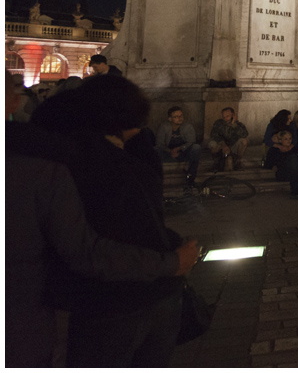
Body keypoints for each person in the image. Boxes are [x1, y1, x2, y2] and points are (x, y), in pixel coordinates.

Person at [6, 74, 198, 368]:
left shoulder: (56, 152)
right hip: (142, 292)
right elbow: (88, 249)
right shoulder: (114, 160)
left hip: (106, 301)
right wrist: (172, 261)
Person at [263, 109, 298, 199]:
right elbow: (267, 140)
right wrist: (279, 146)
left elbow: (294, 139)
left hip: (290, 152)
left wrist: (290, 146)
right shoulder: (273, 126)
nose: (290, 120)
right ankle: (295, 190)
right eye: (288, 118)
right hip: (279, 154)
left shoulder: (291, 126)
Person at [155, 105, 202, 186]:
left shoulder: (188, 127)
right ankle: (155, 179)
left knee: (196, 147)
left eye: (181, 116)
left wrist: (179, 149)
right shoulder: (164, 127)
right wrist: (170, 151)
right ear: (170, 119)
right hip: (168, 153)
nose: (180, 118)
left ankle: (190, 178)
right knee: (155, 150)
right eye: (176, 117)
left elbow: (191, 142)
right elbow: (159, 143)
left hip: (182, 153)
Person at [208, 106, 249, 171]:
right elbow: (214, 135)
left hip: (233, 146)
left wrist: (233, 124)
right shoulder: (218, 123)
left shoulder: (239, 125)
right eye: (223, 117)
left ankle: (237, 161)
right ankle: (216, 163)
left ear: (233, 115)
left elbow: (244, 134)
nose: (225, 119)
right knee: (212, 143)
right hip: (221, 145)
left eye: (227, 116)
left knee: (244, 141)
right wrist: (223, 144)